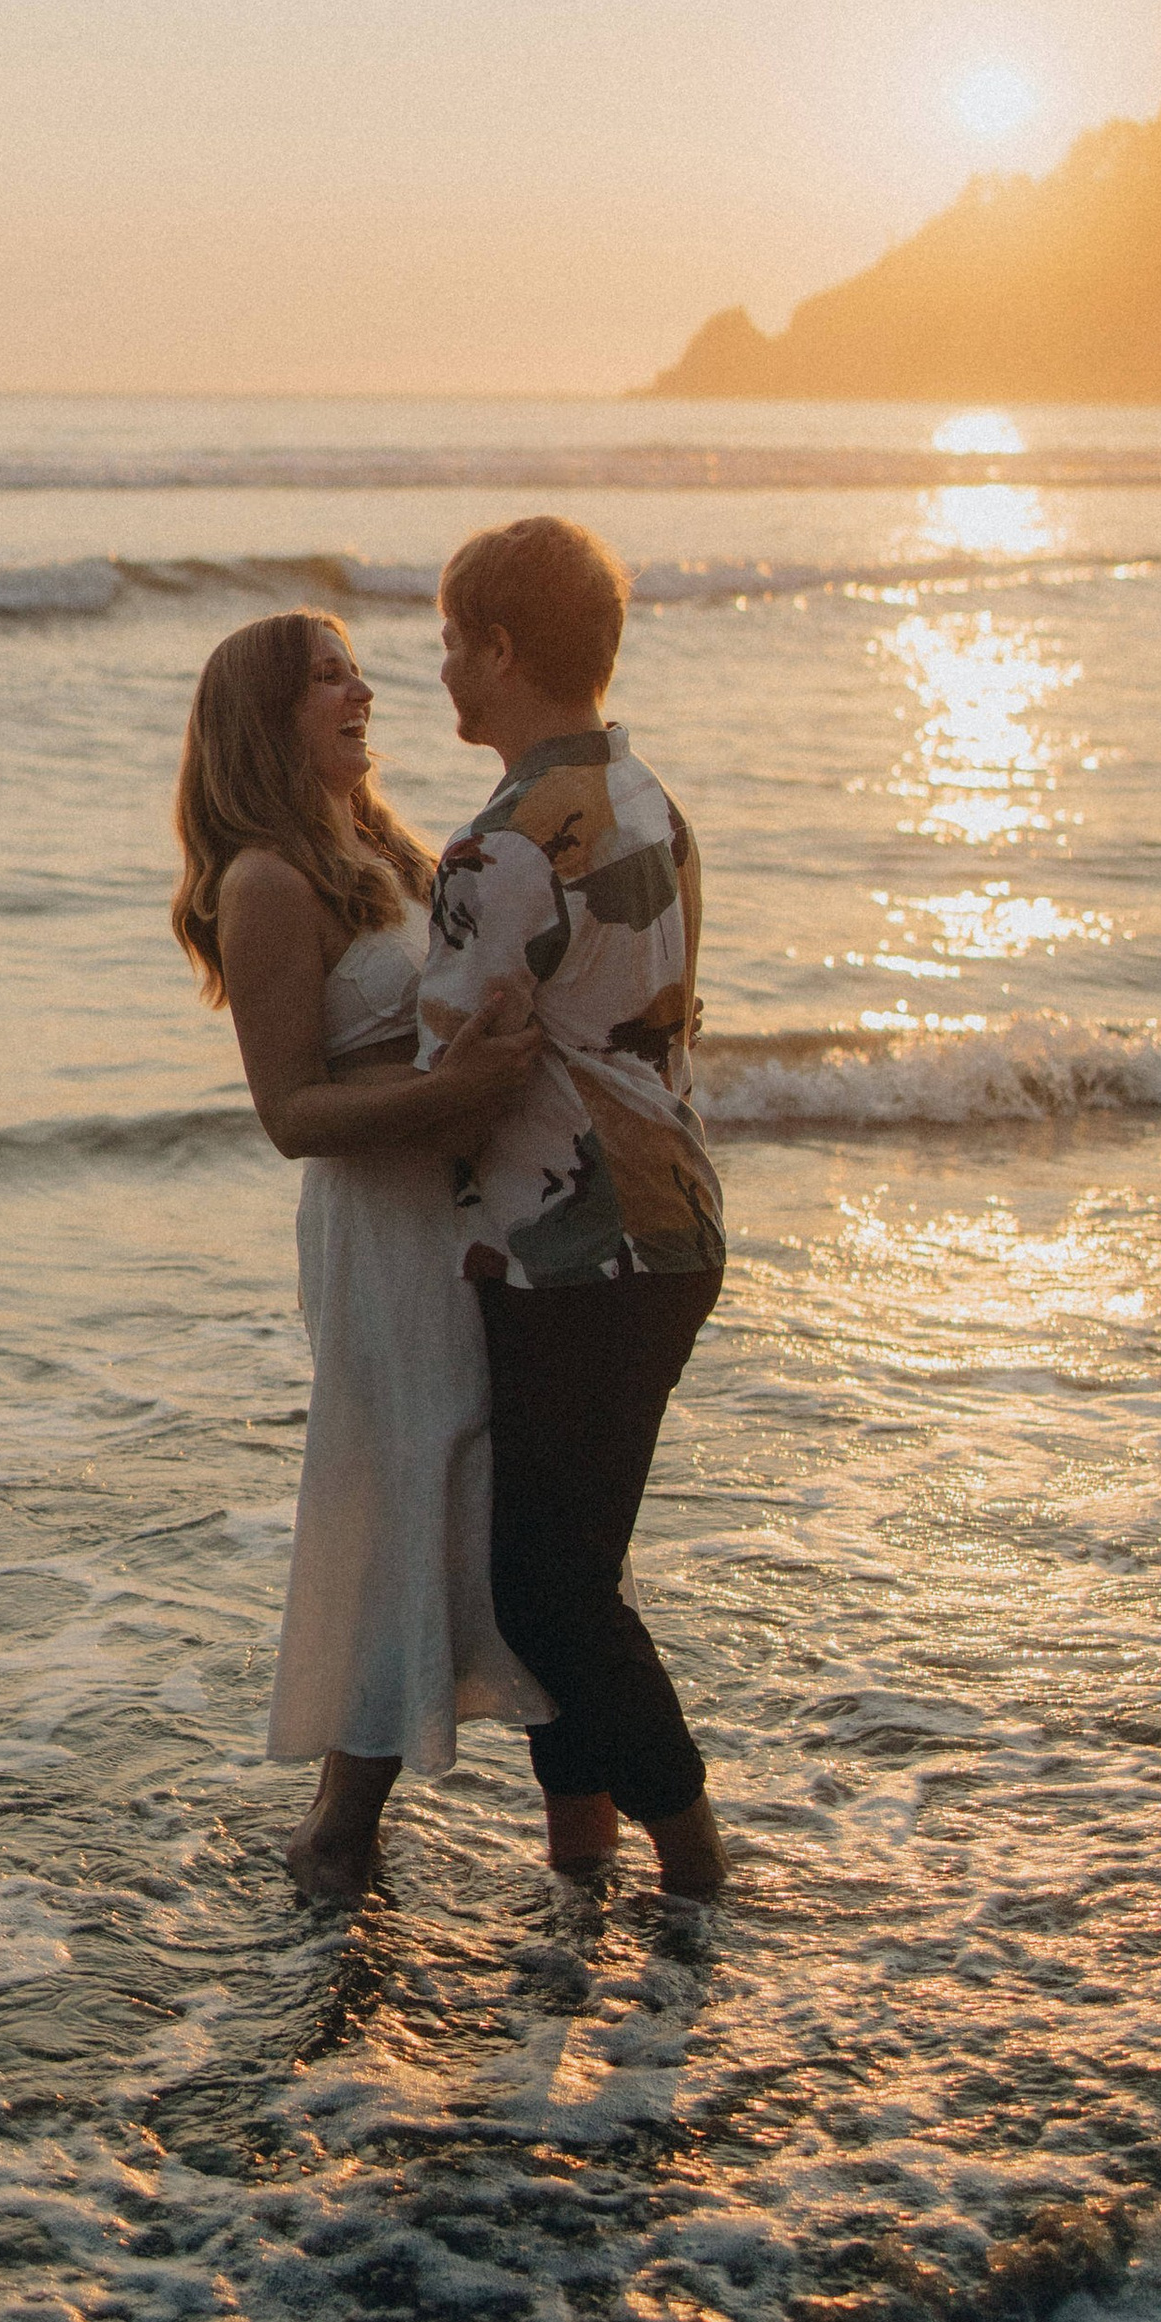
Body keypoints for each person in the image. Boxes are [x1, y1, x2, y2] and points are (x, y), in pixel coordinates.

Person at [172, 609, 551, 1900]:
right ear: (263, 717)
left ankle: (367, 1834)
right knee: (409, 1487)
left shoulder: (372, 850)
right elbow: (291, 1114)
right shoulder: (263, 886)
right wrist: (459, 1097)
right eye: (327, 677)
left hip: (455, 1216)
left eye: (353, 669)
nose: (361, 691)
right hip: (380, 1234)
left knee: (458, 1489)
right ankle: (337, 1837)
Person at [418, 517, 730, 1896]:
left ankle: (693, 1858)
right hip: (672, 1220)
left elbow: (456, 1081)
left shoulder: (497, 855)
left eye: (448, 644)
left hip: (570, 1242)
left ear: (500, 647)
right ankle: (583, 1864)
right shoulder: (654, 800)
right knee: (570, 1565)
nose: (441, 675)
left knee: (545, 1585)